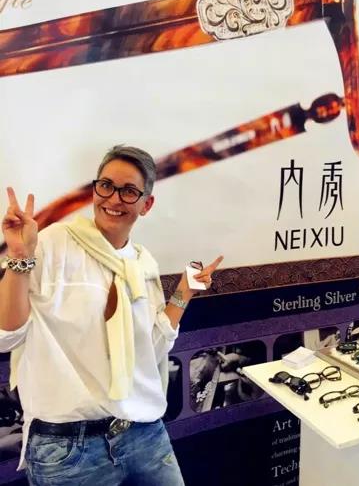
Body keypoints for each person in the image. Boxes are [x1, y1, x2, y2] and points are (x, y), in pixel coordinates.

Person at [0, 145, 223, 486]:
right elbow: (7, 335)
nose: (114, 199)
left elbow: (151, 348)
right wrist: (19, 256)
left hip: (145, 433)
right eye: (106, 186)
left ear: (146, 204)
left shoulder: (143, 262)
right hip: (69, 448)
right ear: (95, 190)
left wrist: (184, 292)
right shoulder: (52, 244)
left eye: (129, 191)